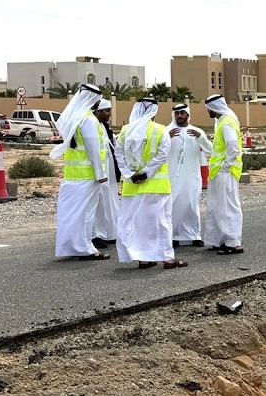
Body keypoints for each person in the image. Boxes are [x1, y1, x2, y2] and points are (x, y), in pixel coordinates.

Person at [114, 99, 185, 269]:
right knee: (162, 222)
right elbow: (162, 156)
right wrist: (146, 173)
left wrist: (130, 174)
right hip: (156, 186)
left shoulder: (125, 131)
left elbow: (118, 155)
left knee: (139, 223)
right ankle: (168, 258)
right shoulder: (160, 130)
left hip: (132, 186)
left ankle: (144, 259)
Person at [52, 84, 111, 260]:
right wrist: (100, 174)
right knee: (86, 214)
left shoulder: (74, 118)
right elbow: (93, 149)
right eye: (97, 100)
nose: (98, 103)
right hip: (87, 176)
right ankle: (84, 249)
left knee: (71, 214)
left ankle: (71, 247)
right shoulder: (89, 120)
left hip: (72, 175)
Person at [203, 94, 244, 254]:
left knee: (228, 207)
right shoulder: (222, 121)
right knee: (217, 206)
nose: (208, 112)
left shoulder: (226, 123)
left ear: (215, 108)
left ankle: (233, 243)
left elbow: (233, 148)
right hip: (218, 172)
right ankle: (219, 240)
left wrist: (225, 168)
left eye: (209, 109)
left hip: (225, 173)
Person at [166, 103, 211, 247]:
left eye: (182, 113)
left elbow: (211, 151)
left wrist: (200, 139)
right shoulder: (167, 131)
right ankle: (173, 236)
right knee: (174, 204)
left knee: (192, 204)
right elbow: (156, 151)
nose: (180, 116)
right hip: (173, 175)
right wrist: (166, 138)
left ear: (187, 114)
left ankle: (194, 235)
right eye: (177, 113)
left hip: (192, 175)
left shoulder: (197, 131)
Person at [92, 99, 119, 249]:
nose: (109, 114)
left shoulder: (104, 127)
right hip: (100, 171)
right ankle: (98, 235)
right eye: (107, 111)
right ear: (99, 112)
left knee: (109, 200)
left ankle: (110, 232)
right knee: (100, 202)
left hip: (109, 170)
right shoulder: (93, 126)